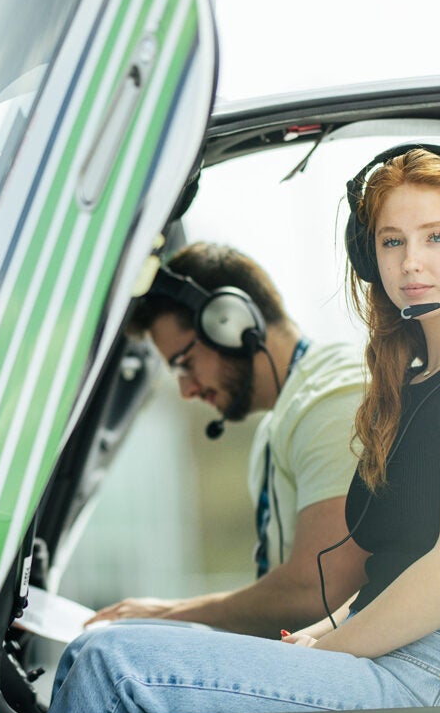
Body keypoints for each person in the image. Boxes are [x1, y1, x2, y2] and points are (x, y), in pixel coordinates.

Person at [45, 142, 440, 713]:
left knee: (110, 662)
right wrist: (317, 633)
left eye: (437, 237)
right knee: (87, 654)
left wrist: (327, 650)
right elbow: (389, 571)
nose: (410, 262)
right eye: (392, 241)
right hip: (398, 654)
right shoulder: (415, 380)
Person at [87, 241, 369, 638]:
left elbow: (317, 589)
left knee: (110, 657)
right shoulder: (284, 420)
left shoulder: (333, 399)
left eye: (184, 364)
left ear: (230, 321)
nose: (186, 390)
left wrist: (167, 615)